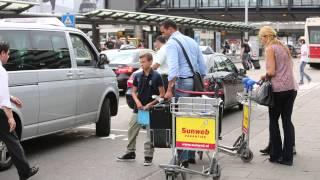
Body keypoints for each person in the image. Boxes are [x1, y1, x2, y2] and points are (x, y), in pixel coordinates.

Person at [160, 19, 207, 168]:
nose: (163, 35)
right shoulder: (191, 41)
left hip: (183, 83)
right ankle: (192, 153)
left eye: (163, 31)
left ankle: (184, 158)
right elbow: (202, 66)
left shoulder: (172, 43)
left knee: (182, 120)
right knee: (193, 117)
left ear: (169, 29)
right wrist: (201, 81)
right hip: (195, 82)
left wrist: (169, 89)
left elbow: (173, 68)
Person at [258, 26, 298, 166]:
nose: (261, 40)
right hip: (291, 88)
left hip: (279, 90)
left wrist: (263, 76)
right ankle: (288, 157)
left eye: (261, 37)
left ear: (266, 36)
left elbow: (272, 71)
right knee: (287, 121)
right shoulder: (283, 46)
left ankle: (275, 155)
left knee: (273, 121)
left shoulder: (270, 48)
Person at [117, 52, 165, 166]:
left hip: (150, 109)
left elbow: (162, 94)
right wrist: (137, 101)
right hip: (138, 108)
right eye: (140, 62)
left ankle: (148, 156)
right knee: (132, 130)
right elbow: (133, 91)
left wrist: (151, 104)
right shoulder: (137, 75)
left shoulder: (157, 76)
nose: (141, 64)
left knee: (149, 134)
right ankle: (130, 152)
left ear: (150, 62)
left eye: (144, 62)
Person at [0, 41, 39, 180]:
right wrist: (10, 117)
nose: (9, 57)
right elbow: (3, 99)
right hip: (0, 114)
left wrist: (11, 97)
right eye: (8, 53)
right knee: (12, 141)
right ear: (2, 53)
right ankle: (25, 171)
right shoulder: (1, 71)